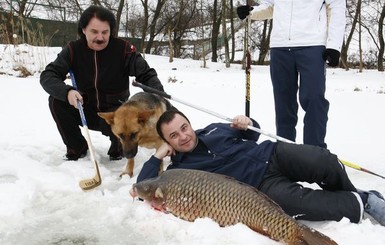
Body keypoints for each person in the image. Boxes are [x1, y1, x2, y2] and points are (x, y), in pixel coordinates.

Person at [137, 109, 385, 226]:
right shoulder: (179, 172)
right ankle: (365, 202)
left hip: (272, 154)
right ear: (168, 142)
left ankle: (353, 191)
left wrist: (247, 121)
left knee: (323, 160)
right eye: (173, 136)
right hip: (260, 187)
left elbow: (253, 133)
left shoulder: (213, 129)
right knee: (305, 204)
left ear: (190, 125)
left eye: (184, 128)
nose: (183, 136)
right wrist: (157, 156)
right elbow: (142, 189)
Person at [40, 5, 164, 161]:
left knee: (123, 122)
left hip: (116, 113)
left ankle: (118, 146)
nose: (100, 37)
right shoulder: (73, 50)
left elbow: (146, 74)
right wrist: (67, 92)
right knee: (56, 101)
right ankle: (77, 147)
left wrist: (158, 96)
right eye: (94, 32)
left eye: (105, 32)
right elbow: (48, 75)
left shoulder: (123, 49)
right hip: (84, 108)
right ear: (83, 29)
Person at [236, 1, 346, 148]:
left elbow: (337, 8)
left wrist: (334, 45)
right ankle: (285, 151)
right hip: (280, 46)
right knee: (283, 103)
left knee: (313, 98)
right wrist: (252, 11)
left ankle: (314, 152)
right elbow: (270, 5)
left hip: (312, 44)